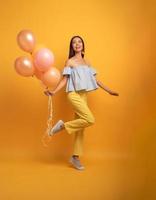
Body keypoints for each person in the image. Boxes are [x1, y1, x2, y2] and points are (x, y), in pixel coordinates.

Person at [42, 35, 119, 170]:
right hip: (73, 94)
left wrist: (109, 90)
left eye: (79, 42)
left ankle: (75, 157)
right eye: (74, 43)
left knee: (80, 129)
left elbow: (96, 80)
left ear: (83, 45)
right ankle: (62, 126)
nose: (77, 44)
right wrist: (53, 92)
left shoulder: (87, 62)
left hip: (84, 95)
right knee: (90, 119)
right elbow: (65, 80)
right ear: (72, 47)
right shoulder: (69, 62)